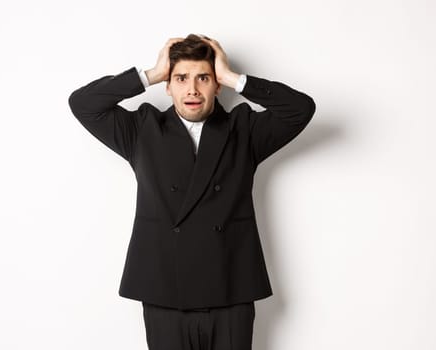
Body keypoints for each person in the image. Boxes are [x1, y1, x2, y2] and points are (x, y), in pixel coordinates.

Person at [67, 34, 316, 350]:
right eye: (181, 78)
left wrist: (234, 78)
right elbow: (83, 104)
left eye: (204, 78)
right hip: (165, 294)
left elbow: (301, 109)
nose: (192, 89)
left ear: (217, 85)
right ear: (168, 86)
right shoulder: (142, 129)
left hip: (230, 290)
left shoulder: (245, 130)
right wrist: (151, 74)